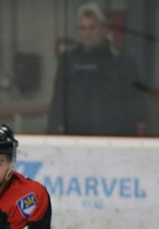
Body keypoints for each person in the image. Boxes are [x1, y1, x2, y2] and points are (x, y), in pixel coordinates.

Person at [46, 3, 146, 136]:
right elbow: (58, 102)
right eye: (82, 28)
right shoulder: (68, 61)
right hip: (75, 137)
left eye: (92, 28)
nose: (87, 33)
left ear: (105, 30)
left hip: (111, 138)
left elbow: (136, 102)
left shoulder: (122, 62)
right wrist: (52, 134)